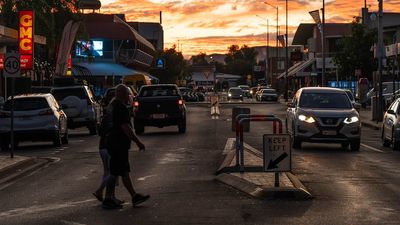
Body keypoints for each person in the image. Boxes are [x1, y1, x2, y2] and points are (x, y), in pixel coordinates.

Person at [102, 84, 149, 209]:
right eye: (128, 94)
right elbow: (125, 127)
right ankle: (108, 198)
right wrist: (137, 141)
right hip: (118, 143)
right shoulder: (120, 107)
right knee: (115, 172)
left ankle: (133, 196)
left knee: (123, 171)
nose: (130, 97)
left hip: (113, 141)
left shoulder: (112, 106)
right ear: (124, 95)